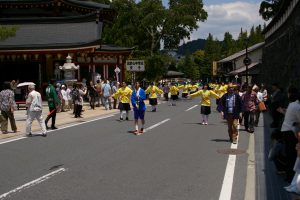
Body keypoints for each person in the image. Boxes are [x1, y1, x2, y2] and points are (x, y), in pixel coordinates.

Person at [279, 88, 300, 183]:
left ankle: (288, 175)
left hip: (285, 130)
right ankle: (290, 176)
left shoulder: (292, 104)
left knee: (289, 154)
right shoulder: (298, 107)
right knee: (292, 155)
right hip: (291, 133)